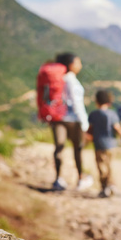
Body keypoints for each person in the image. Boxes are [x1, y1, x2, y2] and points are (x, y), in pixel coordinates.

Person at [50, 52, 92, 191]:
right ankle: (80, 178)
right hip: (73, 120)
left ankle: (58, 179)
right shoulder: (71, 80)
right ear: (71, 65)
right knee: (78, 149)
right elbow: (77, 104)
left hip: (58, 119)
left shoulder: (57, 78)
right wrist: (85, 123)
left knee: (59, 148)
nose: (80, 65)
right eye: (78, 62)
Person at [86, 90, 121, 198]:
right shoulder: (112, 114)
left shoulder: (93, 115)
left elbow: (90, 130)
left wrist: (86, 141)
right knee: (110, 165)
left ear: (97, 101)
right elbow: (117, 128)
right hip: (112, 144)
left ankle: (105, 187)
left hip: (98, 144)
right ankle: (111, 185)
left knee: (101, 166)